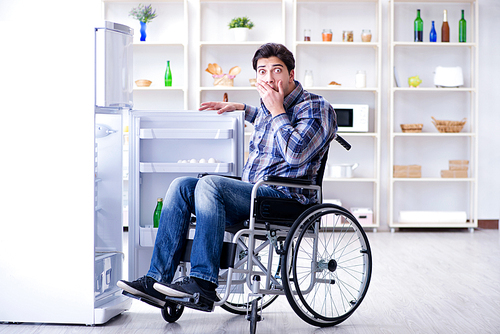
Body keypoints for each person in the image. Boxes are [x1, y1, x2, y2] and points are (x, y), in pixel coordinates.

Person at [117, 43, 337, 312]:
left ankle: (203, 283)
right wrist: (242, 108)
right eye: (262, 71)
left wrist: (277, 109)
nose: (269, 79)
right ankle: (157, 279)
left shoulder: (317, 108)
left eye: (276, 71)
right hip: (253, 193)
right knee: (182, 185)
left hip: (285, 199)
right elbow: (266, 122)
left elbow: (295, 152)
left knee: (210, 183)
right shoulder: (268, 107)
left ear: (291, 74)